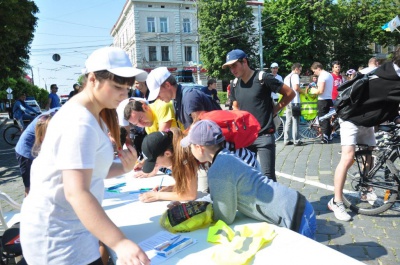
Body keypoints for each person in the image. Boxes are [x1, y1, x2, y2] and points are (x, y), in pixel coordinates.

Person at [20, 46, 150, 265]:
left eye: (127, 88)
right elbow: (76, 192)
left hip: (72, 230)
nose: (123, 95)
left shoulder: (91, 114)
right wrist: (119, 243)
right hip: (59, 240)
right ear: (92, 79)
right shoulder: (80, 122)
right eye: (117, 87)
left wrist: (124, 168)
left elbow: (88, 171)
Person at [180, 120, 316, 239]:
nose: (190, 150)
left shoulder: (217, 170)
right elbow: (219, 195)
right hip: (298, 206)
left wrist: (193, 214)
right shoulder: (226, 156)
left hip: (295, 217)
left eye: (191, 146)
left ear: (199, 147)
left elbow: (225, 217)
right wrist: (193, 204)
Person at [329, 47, 400, 221]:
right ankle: (336, 201)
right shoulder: (392, 77)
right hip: (351, 118)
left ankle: (365, 191)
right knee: (348, 158)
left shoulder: (389, 71)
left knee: (371, 156)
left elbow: (386, 102)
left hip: (367, 119)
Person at [222, 49, 295, 182]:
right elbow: (236, 107)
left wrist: (275, 109)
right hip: (245, 137)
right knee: (247, 176)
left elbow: (290, 93)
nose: (232, 70)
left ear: (244, 61)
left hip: (264, 135)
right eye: (230, 67)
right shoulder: (234, 84)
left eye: (234, 65)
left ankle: (274, 203)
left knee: (268, 177)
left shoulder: (263, 78)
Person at [139, 129, 259, 203]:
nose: (157, 166)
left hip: (244, 166)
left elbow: (190, 194)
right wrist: (173, 187)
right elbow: (188, 185)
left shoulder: (184, 154)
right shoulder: (178, 144)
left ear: (167, 153)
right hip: (237, 165)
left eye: (156, 162)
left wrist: (157, 195)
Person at [146, 67, 221, 129]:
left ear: (167, 85)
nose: (157, 98)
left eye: (158, 93)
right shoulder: (176, 100)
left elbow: (200, 130)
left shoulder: (190, 96)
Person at [15, 108, 59, 196]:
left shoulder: (60, 112)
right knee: (29, 188)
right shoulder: (56, 116)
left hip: (35, 149)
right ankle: (27, 206)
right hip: (26, 152)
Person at [309, 62, 334, 144]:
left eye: (314, 71)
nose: (314, 73)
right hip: (329, 98)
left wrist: (313, 91)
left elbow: (321, 90)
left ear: (318, 68)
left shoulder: (322, 76)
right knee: (327, 118)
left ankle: (325, 137)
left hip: (323, 99)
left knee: (323, 119)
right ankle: (329, 136)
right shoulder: (329, 75)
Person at [283, 63, 303, 146]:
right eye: (300, 70)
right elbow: (296, 87)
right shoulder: (295, 76)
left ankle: (286, 139)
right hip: (295, 101)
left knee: (288, 121)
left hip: (287, 101)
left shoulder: (287, 77)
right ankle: (296, 140)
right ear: (297, 69)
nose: (300, 72)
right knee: (296, 120)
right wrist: (303, 91)